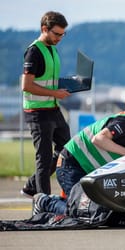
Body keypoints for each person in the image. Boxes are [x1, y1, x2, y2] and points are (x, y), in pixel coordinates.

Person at [56, 103, 125, 197]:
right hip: (71, 164)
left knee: (89, 211)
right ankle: (44, 202)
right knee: (79, 209)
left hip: (83, 168)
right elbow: (99, 139)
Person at [21, 11, 71, 197]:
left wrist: (70, 84)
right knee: (43, 157)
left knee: (67, 149)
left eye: (63, 34)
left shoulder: (52, 49)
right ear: (45, 29)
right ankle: (43, 204)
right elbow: (26, 86)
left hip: (53, 108)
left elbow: (47, 79)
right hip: (37, 111)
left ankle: (31, 185)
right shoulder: (34, 51)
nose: (60, 38)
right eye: (57, 34)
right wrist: (54, 93)